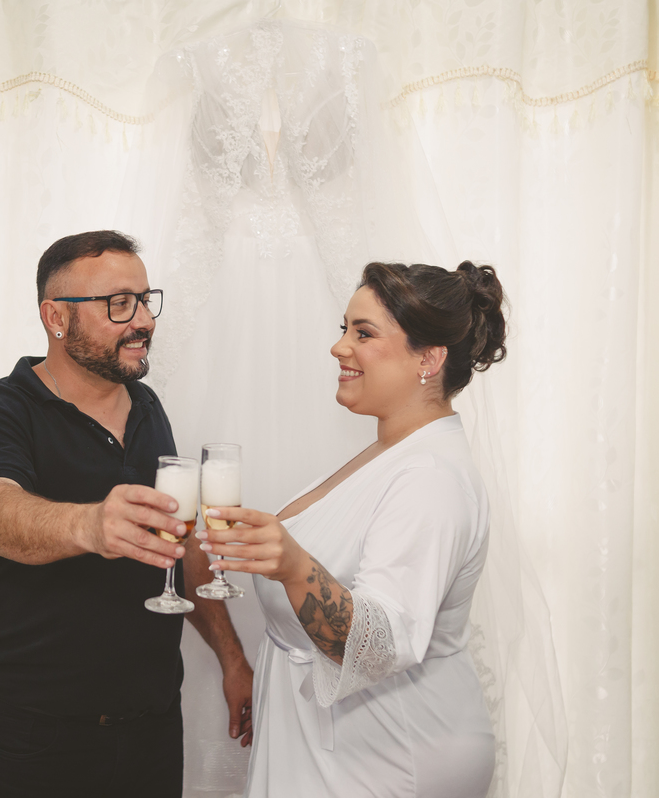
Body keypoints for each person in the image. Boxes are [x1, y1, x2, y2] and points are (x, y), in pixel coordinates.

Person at [0, 230, 253, 798]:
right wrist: (90, 526)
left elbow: (179, 539)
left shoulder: (146, 405)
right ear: (56, 317)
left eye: (145, 300)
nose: (144, 321)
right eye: (119, 304)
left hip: (152, 728)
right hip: (33, 736)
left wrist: (232, 658)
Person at [201, 260, 506, 797]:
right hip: (340, 743)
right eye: (344, 329)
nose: (339, 347)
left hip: (390, 753)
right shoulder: (391, 452)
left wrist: (294, 566)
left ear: (429, 359)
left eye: (363, 333)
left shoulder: (430, 478)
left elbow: (379, 646)